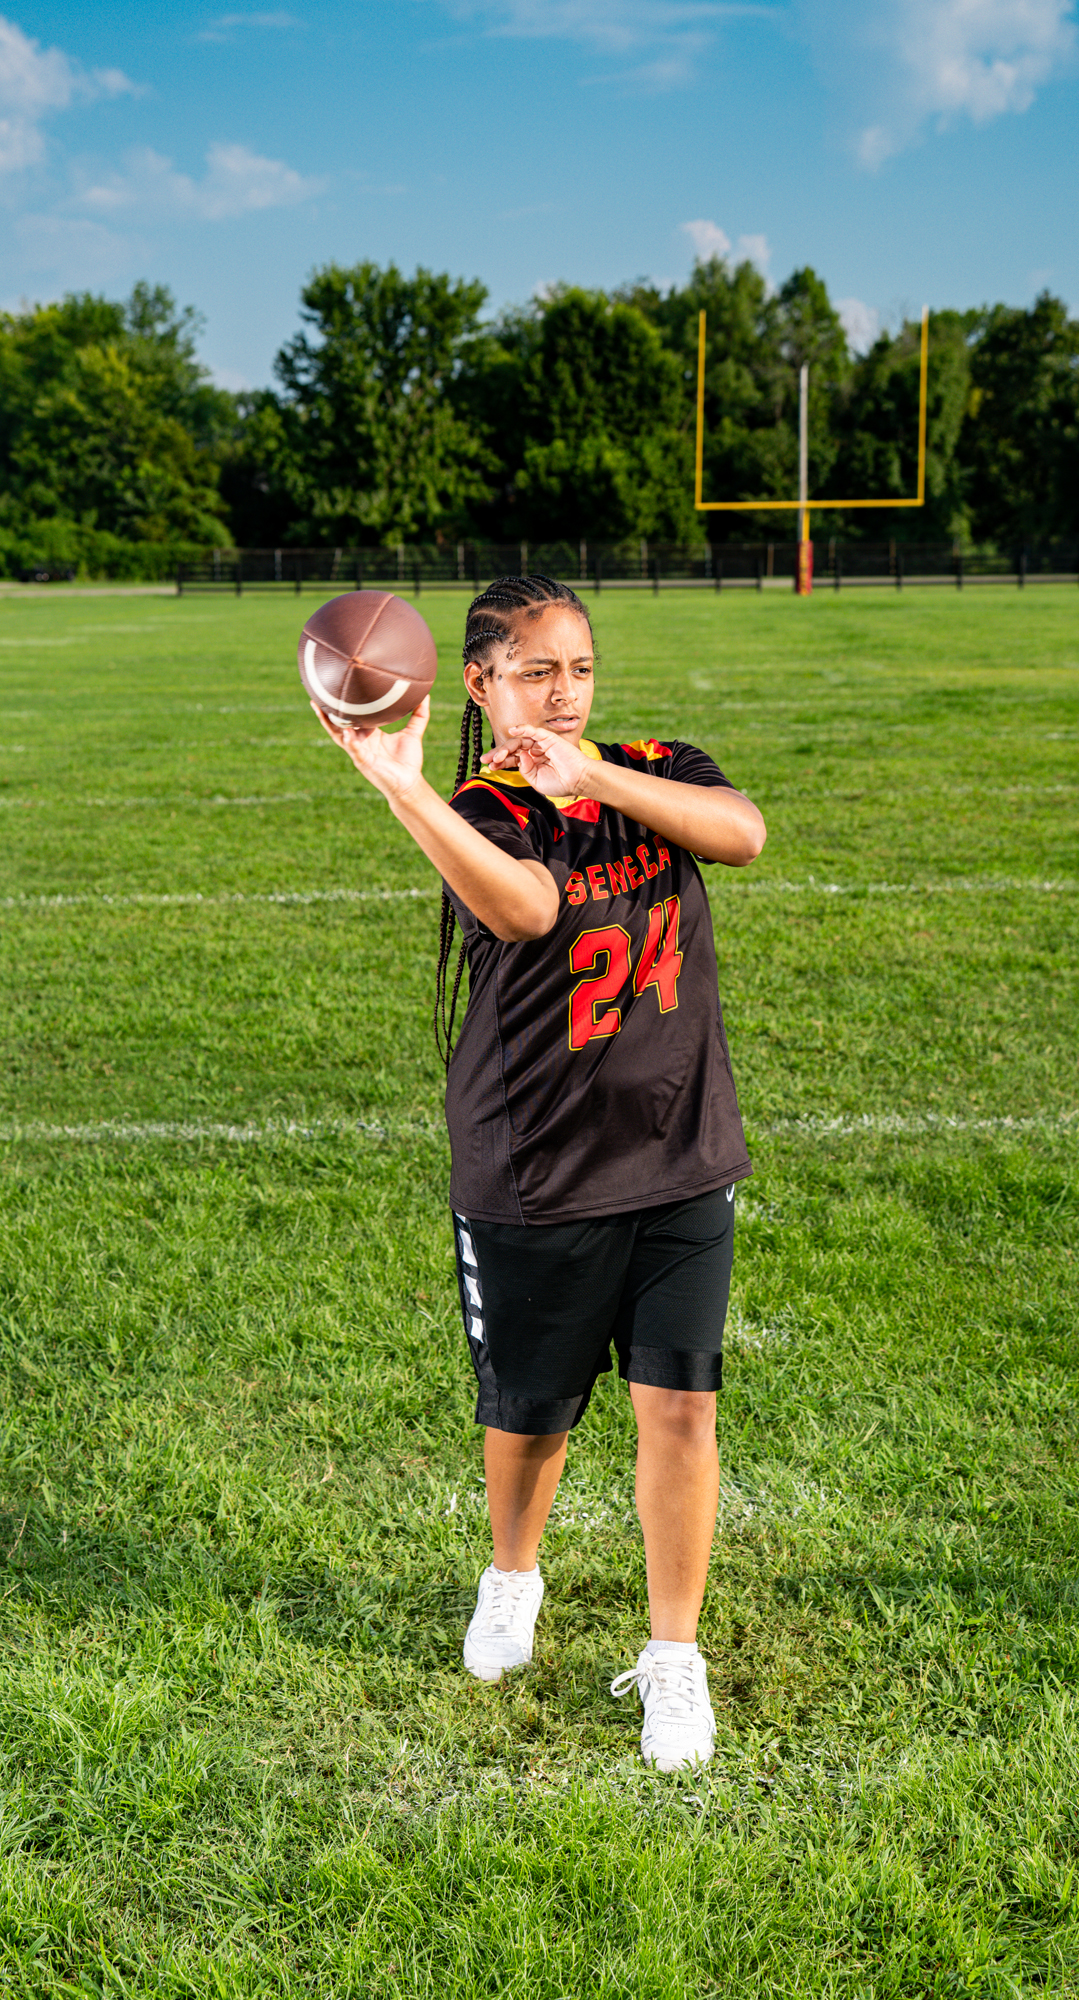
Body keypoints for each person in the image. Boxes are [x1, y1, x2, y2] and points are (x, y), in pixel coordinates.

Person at [315, 574, 766, 1771]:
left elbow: (743, 832)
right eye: (534, 672)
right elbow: (526, 910)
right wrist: (402, 784)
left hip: (678, 1148)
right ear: (479, 682)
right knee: (530, 1412)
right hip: (536, 1164)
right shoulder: (482, 808)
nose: (562, 693)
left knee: (681, 1404)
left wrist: (598, 775)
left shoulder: (656, 767)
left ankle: (674, 1655)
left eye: (579, 668)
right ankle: (512, 1572)